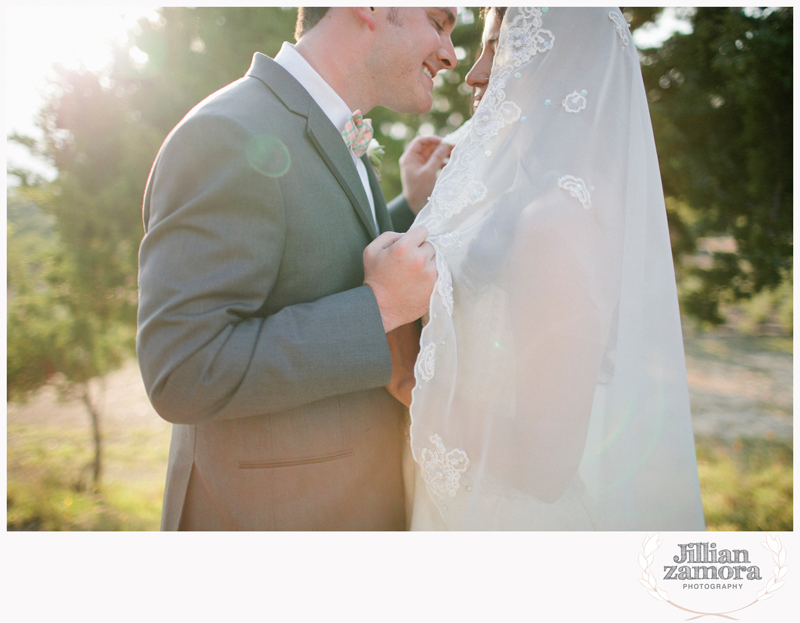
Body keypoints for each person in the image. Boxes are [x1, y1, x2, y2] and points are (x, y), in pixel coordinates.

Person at [136, 7, 457, 530]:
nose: (450, 54)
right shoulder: (228, 132)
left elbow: (309, 256)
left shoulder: (326, 123)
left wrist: (405, 206)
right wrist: (377, 309)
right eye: (439, 22)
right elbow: (182, 370)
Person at [402, 7, 706, 530]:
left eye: (498, 49)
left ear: (559, 66)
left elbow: (545, 464)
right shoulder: (530, 201)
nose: (474, 74)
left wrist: (403, 380)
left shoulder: (555, 225)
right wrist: (421, 205)